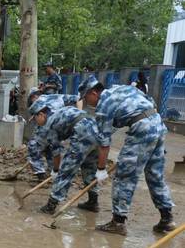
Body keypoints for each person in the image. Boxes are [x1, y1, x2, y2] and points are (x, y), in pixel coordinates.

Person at [80, 75, 176, 235]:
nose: (86, 102)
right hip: (157, 124)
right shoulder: (120, 88)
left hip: (142, 130)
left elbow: (104, 143)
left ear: (93, 93)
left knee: (124, 176)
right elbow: (150, 101)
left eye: (85, 98)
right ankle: (167, 219)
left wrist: (101, 169)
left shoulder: (103, 105)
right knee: (155, 175)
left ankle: (118, 222)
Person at [28, 99, 101, 215]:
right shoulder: (59, 112)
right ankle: (93, 202)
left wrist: (56, 170)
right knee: (89, 167)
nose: (36, 123)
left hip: (82, 133)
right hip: (96, 130)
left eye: (35, 119)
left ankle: (51, 205)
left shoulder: (49, 124)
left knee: (66, 169)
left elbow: (56, 153)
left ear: (41, 114)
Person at [26, 89, 80, 181]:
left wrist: (79, 111)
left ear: (36, 96)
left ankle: (55, 172)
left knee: (54, 151)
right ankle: (43, 174)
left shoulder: (55, 97)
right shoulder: (38, 109)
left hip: (60, 132)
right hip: (47, 133)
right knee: (36, 147)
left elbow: (78, 98)